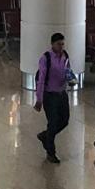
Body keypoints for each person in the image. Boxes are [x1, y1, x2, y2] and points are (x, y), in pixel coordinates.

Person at [34, 33, 71, 164]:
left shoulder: (65, 56)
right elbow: (41, 79)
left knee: (64, 120)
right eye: (58, 44)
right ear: (52, 44)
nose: (61, 47)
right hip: (49, 95)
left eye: (62, 44)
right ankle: (51, 152)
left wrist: (70, 79)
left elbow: (68, 72)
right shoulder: (46, 58)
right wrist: (39, 99)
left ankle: (46, 136)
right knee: (53, 122)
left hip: (62, 93)